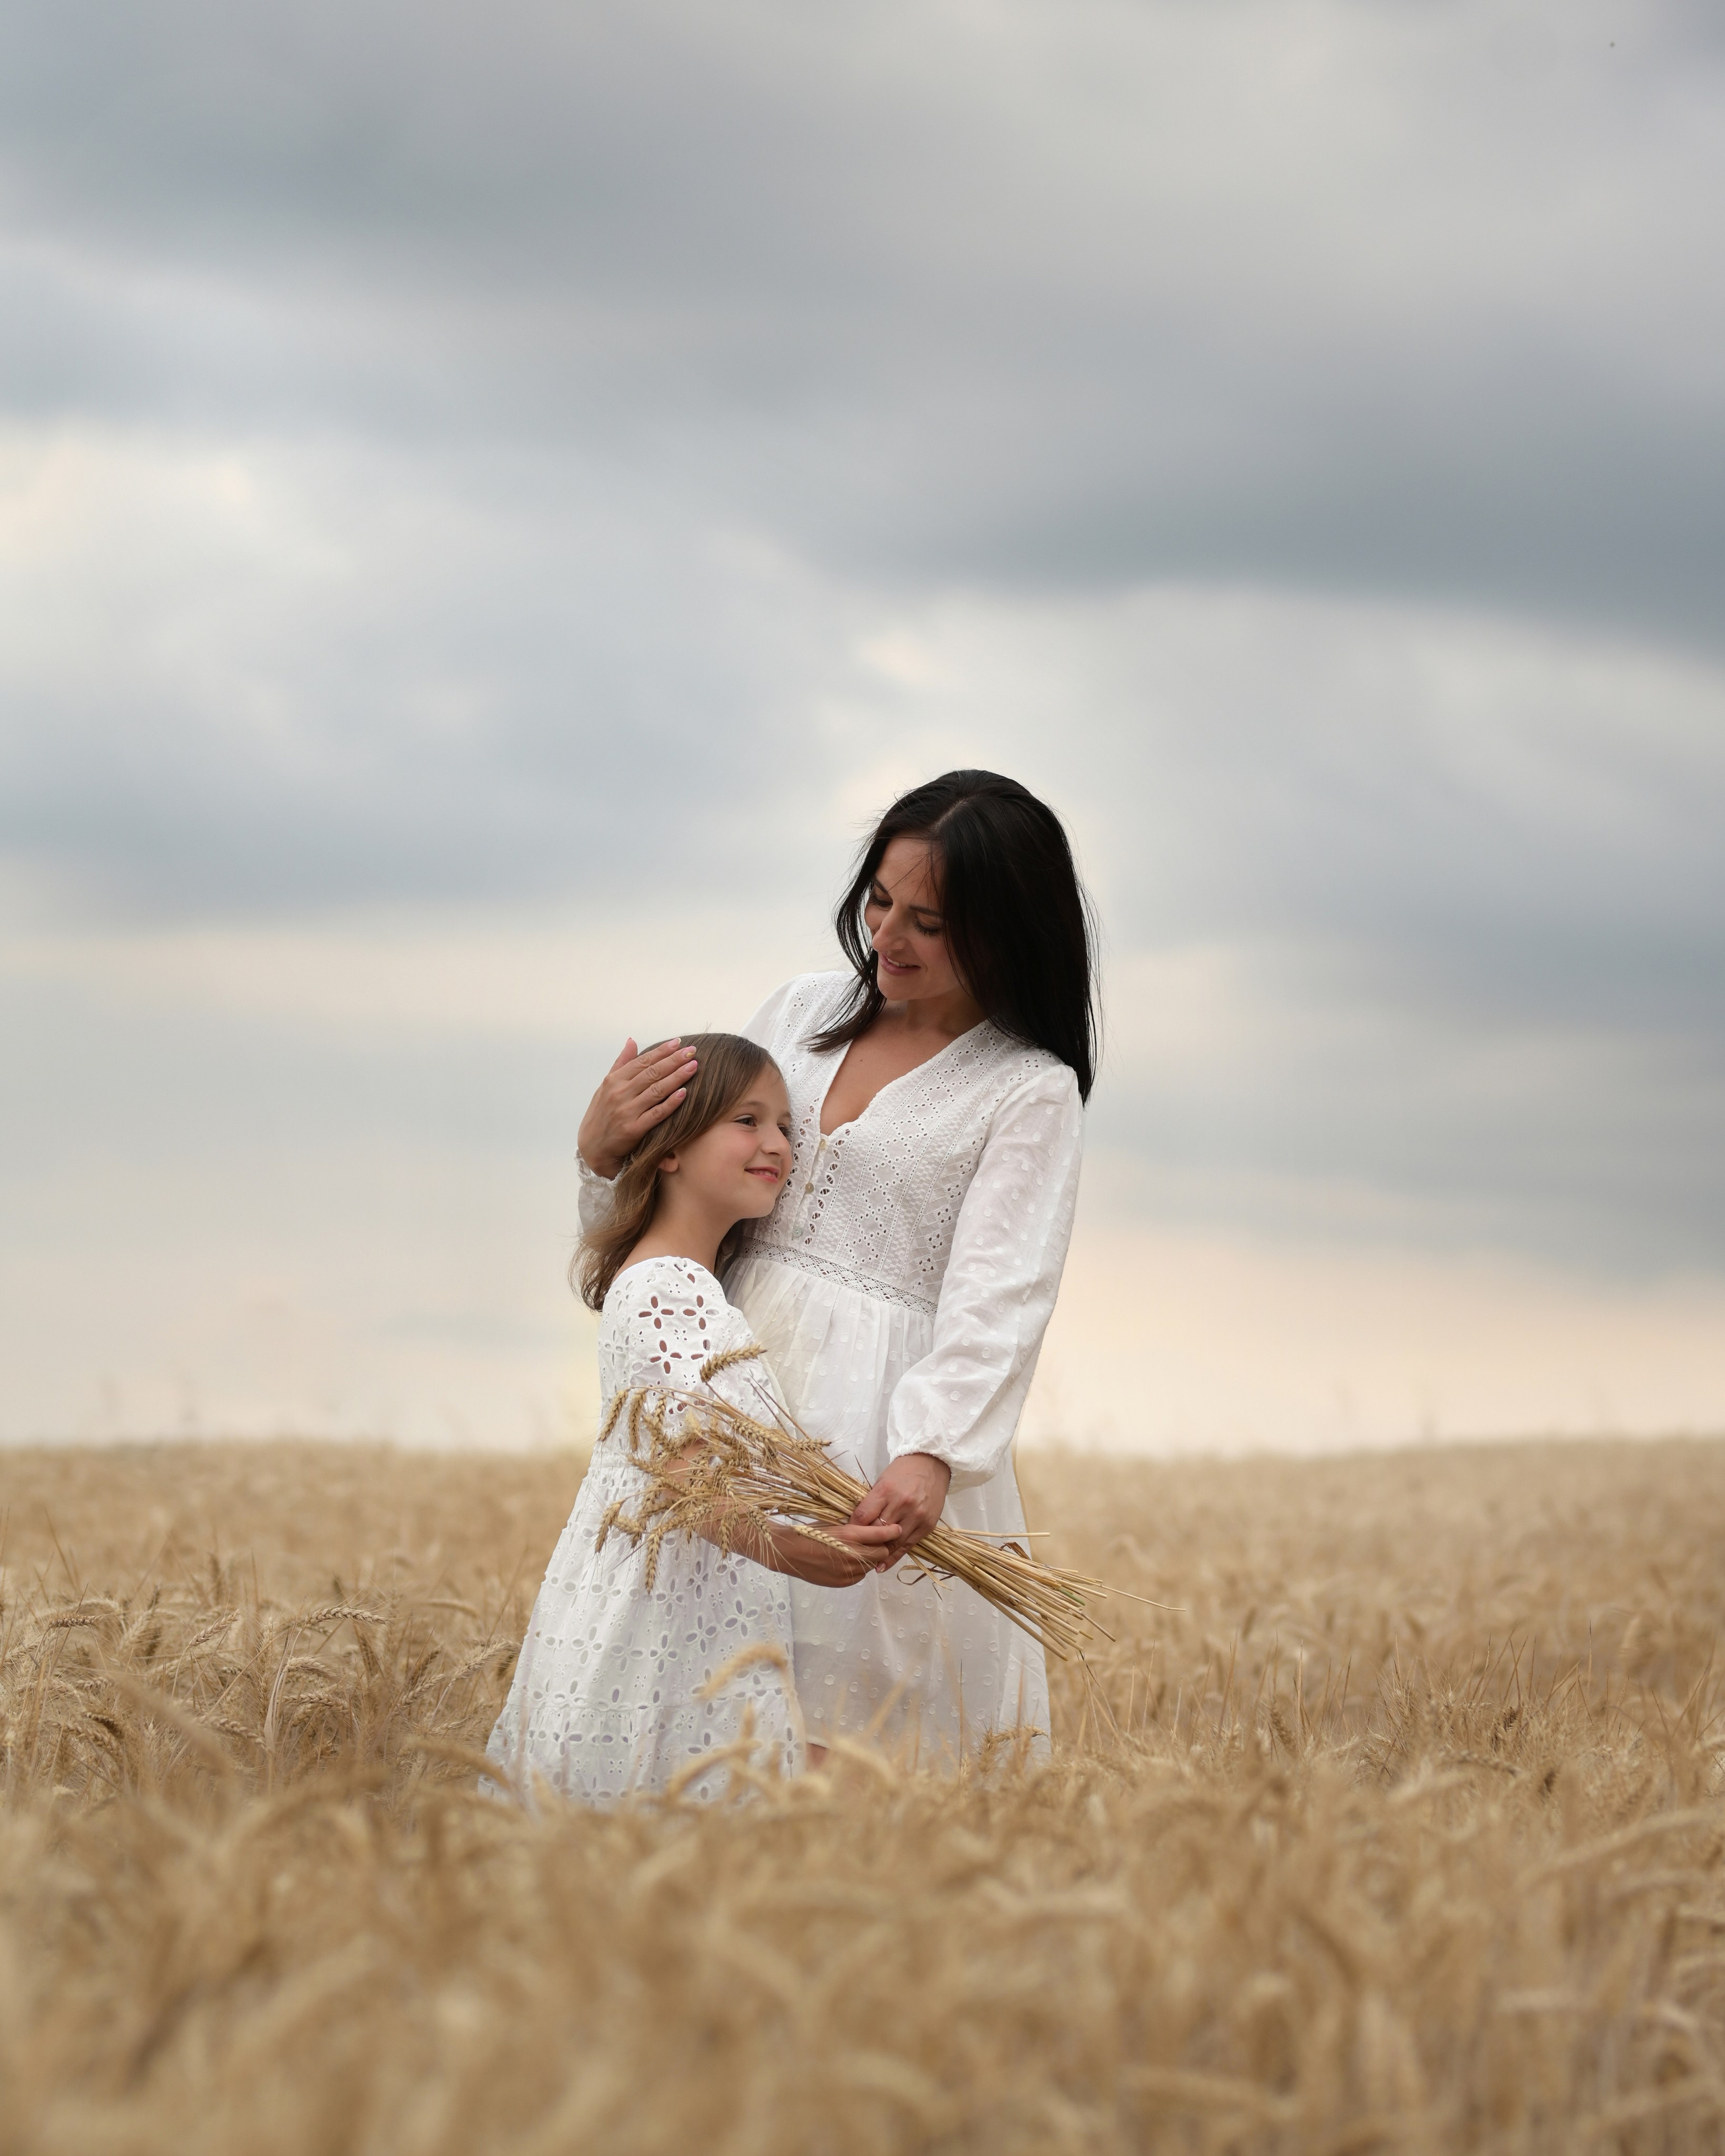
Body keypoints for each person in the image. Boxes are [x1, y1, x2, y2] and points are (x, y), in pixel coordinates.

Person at [577, 771, 1096, 1764]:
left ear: (1008, 927)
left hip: (873, 1435)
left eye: (932, 923)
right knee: (694, 1709)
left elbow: (1002, 1296)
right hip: (730, 1401)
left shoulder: (1028, 1088)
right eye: (880, 900)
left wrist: (932, 1450)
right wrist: (603, 1155)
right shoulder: (798, 1008)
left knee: (853, 1741)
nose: (890, 936)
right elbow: (683, 1183)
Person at [487, 1034, 898, 1804]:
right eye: (747, 1120)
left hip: (689, 1599)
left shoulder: (692, 1285)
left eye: (785, 1126)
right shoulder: (667, 1287)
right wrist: (800, 1552)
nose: (776, 1143)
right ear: (669, 1148)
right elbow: (686, 1477)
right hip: (662, 1616)